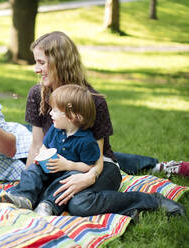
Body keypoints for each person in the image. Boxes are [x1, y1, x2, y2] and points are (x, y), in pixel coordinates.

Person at [23, 31, 185, 217]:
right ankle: (125, 209)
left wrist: (88, 178)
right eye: (36, 62)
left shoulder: (93, 100)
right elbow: (36, 145)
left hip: (100, 167)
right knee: (48, 196)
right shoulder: (37, 94)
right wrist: (28, 187)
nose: (36, 69)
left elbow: (98, 159)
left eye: (41, 63)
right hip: (59, 167)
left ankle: (152, 200)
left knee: (78, 204)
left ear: (60, 62)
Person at [1, 85, 101, 216]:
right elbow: (45, 146)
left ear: (72, 115)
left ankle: (47, 205)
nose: (50, 113)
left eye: (55, 110)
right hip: (49, 170)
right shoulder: (55, 129)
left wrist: (69, 165)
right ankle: (24, 197)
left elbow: (89, 166)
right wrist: (41, 155)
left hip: (66, 175)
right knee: (32, 170)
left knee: (69, 180)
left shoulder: (87, 140)